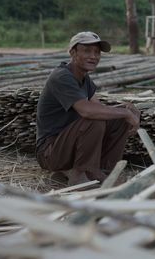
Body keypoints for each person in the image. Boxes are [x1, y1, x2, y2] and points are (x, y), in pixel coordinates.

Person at [36, 31, 140, 186]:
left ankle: (103, 171)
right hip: (50, 151)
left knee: (117, 118)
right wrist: (124, 112)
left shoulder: (84, 79)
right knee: (95, 120)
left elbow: (98, 108)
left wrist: (126, 109)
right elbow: (88, 111)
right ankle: (80, 176)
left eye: (97, 52)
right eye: (87, 51)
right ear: (73, 52)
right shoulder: (62, 76)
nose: (93, 56)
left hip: (68, 147)